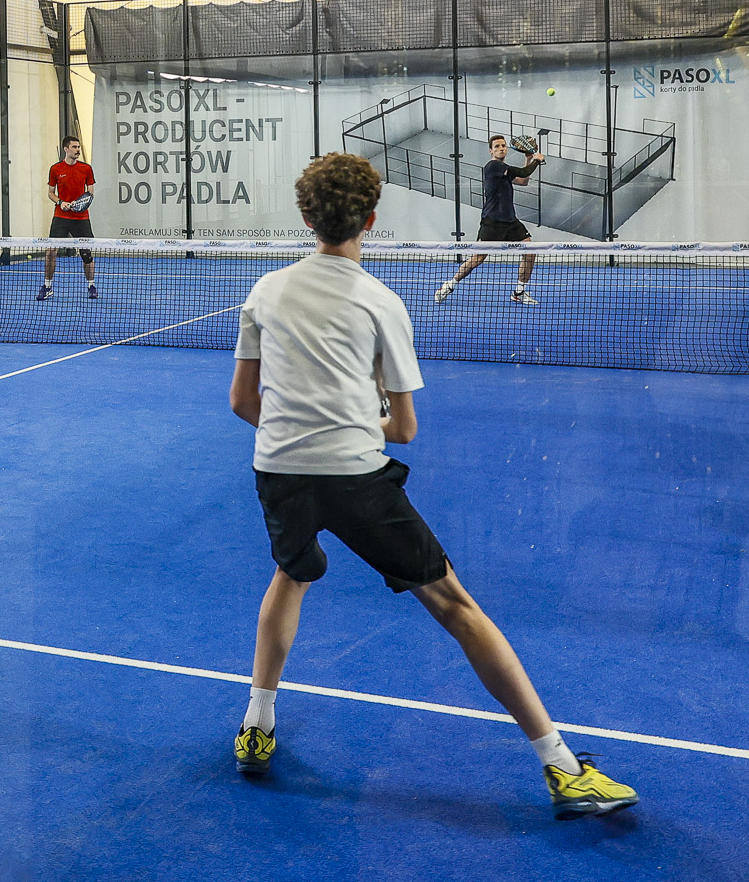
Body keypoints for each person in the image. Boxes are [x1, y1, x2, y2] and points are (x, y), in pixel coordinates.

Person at [229, 152, 637, 820]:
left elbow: (244, 402)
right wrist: (354, 423)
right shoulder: (381, 303)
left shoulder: (265, 292)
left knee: (291, 572)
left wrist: (303, 428)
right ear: (371, 220)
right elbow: (405, 429)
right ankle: (563, 768)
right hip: (357, 478)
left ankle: (257, 722)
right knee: (456, 606)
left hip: (278, 472)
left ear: (306, 219)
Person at [436, 133, 546, 305]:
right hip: (492, 222)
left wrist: (529, 158)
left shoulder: (505, 170)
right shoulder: (493, 166)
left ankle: (519, 292)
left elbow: (523, 180)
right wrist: (537, 160)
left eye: (503, 145)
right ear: (491, 151)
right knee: (478, 259)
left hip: (511, 221)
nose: (501, 148)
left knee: (530, 251)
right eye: (497, 146)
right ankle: (449, 285)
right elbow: (524, 172)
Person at [40, 135, 97, 301]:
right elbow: (51, 193)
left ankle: (91, 286)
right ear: (66, 149)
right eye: (74, 147)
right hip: (61, 217)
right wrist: (61, 202)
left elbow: (90, 193)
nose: (77, 150)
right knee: (51, 251)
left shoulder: (86, 169)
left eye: (78, 147)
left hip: (81, 218)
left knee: (86, 253)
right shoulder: (55, 169)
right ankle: (47, 286)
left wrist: (79, 204)